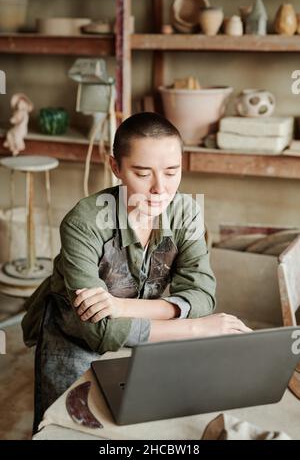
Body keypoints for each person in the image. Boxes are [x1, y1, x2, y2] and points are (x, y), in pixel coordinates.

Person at [21, 112, 251, 432]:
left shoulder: (185, 212)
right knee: (68, 427)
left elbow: (202, 296)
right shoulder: (83, 222)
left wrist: (122, 307)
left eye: (172, 172)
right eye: (143, 173)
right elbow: (100, 331)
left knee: (135, 424)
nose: (161, 189)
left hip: (148, 332)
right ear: (116, 167)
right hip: (73, 338)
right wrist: (198, 329)